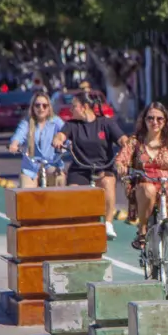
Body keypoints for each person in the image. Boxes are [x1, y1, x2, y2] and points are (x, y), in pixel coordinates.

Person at [115, 102, 168, 288]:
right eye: (150, 118)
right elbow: (121, 159)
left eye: (159, 118)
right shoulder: (136, 140)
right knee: (148, 189)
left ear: (165, 121)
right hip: (144, 189)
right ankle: (142, 230)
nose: (155, 122)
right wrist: (122, 167)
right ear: (144, 119)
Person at [51, 91, 128, 240]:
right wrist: (58, 140)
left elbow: (123, 139)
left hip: (103, 166)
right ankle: (77, 224)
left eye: (74, 107)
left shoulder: (106, 123)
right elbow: (61, 135)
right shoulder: (72, 125)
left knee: (108, 182)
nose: (71, 110)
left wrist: (125, 149)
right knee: (73, 193)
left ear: (85, 107)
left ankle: (108, 223)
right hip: (80, 168)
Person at [8, 92, 66, 187]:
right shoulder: (27, 122)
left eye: (44, 105)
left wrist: (68, 143)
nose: (41, 108)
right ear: (32, 107)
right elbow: (19, 135)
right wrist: (14, 144)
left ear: (49, 107)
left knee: (60, 178)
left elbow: (66, 132)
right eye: (37, 105)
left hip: (52, 164)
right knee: (25, 192)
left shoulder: (56, 122)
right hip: (31, 167)